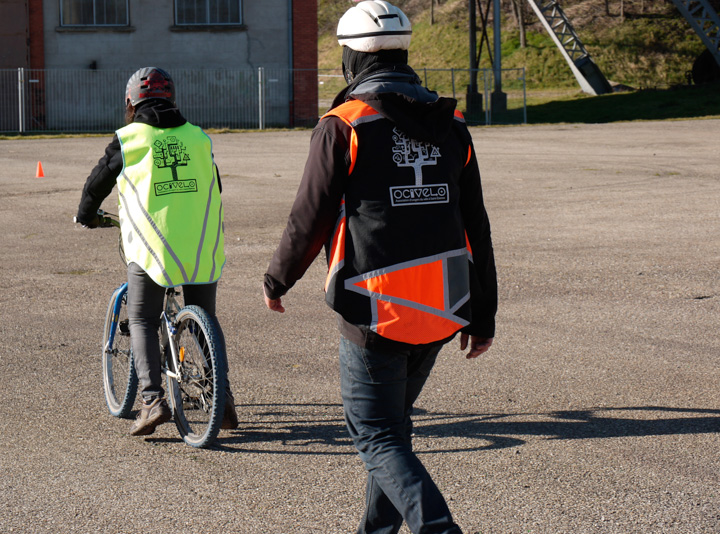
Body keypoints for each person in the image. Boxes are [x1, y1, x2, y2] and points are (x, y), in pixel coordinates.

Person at [262, 2, 497, 533]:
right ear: (403, 53)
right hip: (442, 305)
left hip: (376, 310)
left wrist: (277, 280)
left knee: (377, 436)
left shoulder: (345, 125)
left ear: (350, 59)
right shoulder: (451, 123)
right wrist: (482, 314)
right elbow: (476, 226)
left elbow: (309, 218)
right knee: (393, 434)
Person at [76, 66, 238, 436]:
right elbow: (215, 185)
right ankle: (222, 397)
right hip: (201, 243)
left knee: (143, 320)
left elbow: (97, 183)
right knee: (204, 321)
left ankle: (151, 401)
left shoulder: (130, 138)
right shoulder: (198, 137)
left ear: (131, 103)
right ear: (172, 100)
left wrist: (86, 215)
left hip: (154, 247)